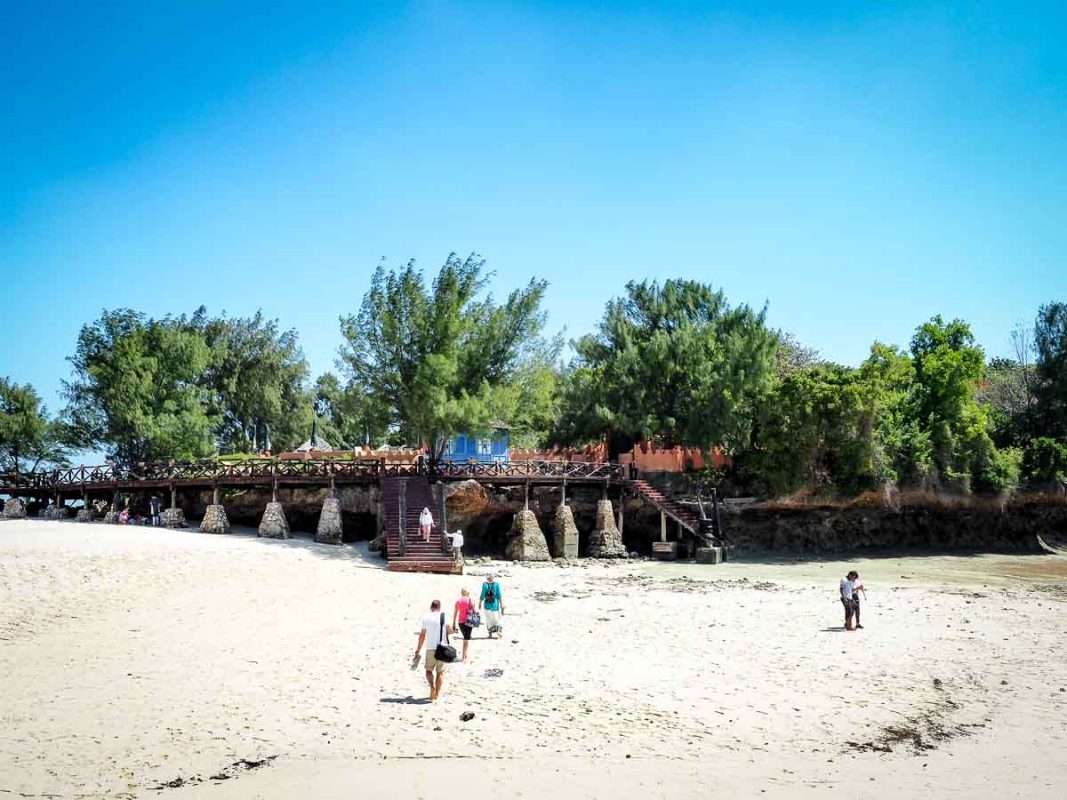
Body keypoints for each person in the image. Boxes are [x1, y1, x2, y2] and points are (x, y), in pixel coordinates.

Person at [413, 599, 453, 701]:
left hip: (430, 648)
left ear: (431, 607)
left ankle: (432, 687)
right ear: (439, 607)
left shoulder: (426, 618)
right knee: (440, 673)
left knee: (428, 671)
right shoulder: (444, 616)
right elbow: (450, 630)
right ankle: (437, 694)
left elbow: (422, 635)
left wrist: (418, 649)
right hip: (442, 648)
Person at [452, 588, 476, 661]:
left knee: (466, 638)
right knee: (466, 639)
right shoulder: (469, 600)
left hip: (460, 622)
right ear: (467, 593)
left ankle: (465, 654)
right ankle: (463, 656)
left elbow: (455, 613)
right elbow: (473, 610)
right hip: (468, 621)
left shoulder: (458, 601)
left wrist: (453, 623)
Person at [479, 574, 504, 638]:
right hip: (495, 605)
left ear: (487, 578)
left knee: (488, 620)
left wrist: (480, 603)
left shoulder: (485, 584)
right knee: (497, 619)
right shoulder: (497, 584)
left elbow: (482, 594)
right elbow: (499, 596)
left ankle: (490, 635)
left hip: (487, 605)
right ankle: (499, 632)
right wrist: (502, 605)